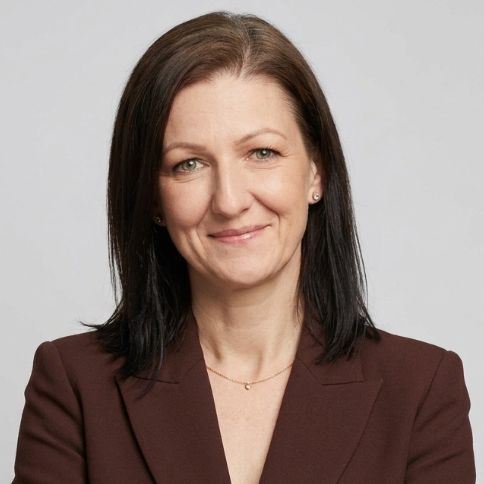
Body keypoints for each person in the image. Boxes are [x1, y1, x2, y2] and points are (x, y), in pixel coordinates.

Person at [12, 10, 475, 484]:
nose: (230, 201)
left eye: (261, 153)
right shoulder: (74, 385)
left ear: (316, 171)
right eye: (189, 164)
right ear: (152, 198)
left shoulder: (420, 389)